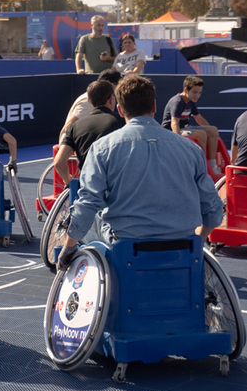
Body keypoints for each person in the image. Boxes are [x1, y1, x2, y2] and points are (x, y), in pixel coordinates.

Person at [58, 75, 224, 261]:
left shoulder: (102, 148)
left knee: (87, 220)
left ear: (120, 110)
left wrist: (68, 246)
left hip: (127, 247)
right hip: (182, 245)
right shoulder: (192, 150)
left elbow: (88, 203)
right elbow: (214, 211)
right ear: (154, 106)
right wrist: (198, 240)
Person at [53, 79, 123, 185]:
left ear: (90, 101)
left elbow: (59, 162)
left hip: (88, 188)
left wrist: (69, 182)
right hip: (116, 188)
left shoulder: (75, 127)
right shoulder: (123, 123)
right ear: (111, 99)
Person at [162, 75, 220, 163]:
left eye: (200, 93)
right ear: (186, 90)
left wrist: (212, 134)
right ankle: (202, 164)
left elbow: (199, 118)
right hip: (171, 131)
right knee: (201, 134)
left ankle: (212, 164)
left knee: (213, 130)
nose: (197, 95)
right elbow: (174, 123)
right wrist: (178, 140)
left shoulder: (191, 101)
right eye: (194, 92)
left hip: (185, 128)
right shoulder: (177, 102)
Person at [59, 69, 122, 141]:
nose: (120, 87)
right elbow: (68, 128)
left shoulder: (101, 98)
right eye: (118, 83)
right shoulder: (87, 102)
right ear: (111, 85)